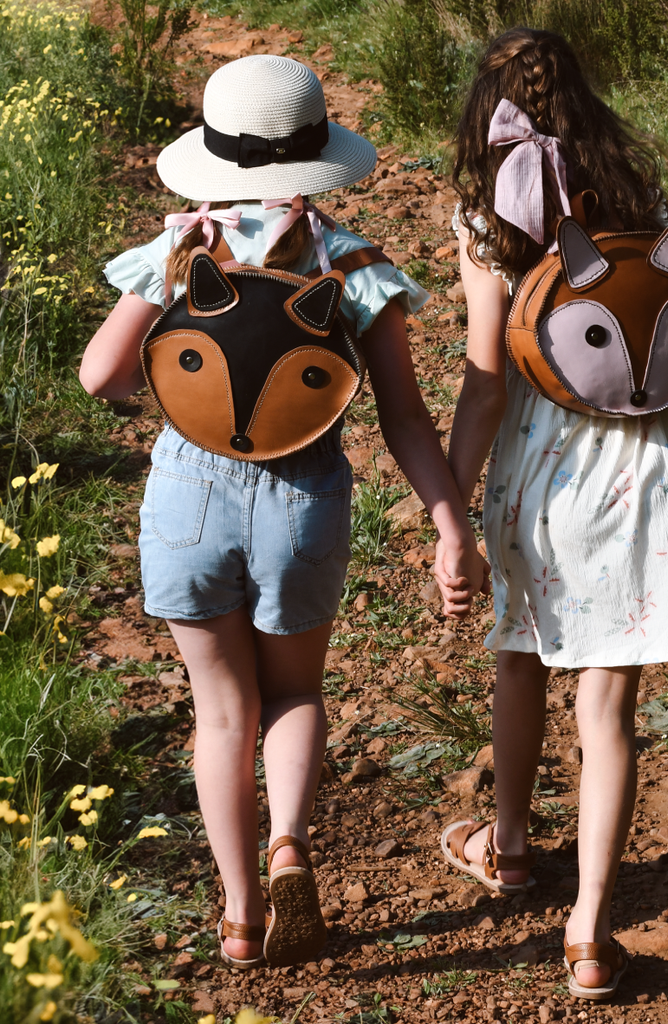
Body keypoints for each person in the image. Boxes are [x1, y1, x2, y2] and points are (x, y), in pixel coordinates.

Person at [80, 54, 483, 969]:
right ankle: (291, 843)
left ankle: (238, 912)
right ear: (318, 157)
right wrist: (448, 524)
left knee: (222, 713)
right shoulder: (353, 264)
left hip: (190, 493)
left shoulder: (180, 250)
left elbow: (101, 377)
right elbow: (404, 416)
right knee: (295, 691)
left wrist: (175, 368)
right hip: (303, 500)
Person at [435, 28, 668, 1000]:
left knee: (519, 653)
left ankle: (510, 846)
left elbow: (485, 382)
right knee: (607, 705)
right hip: (643, 462)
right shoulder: (634, 199)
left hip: (542, 466)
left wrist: (448, 502)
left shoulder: (485, 220)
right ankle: (588, 932)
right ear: (586, 101)